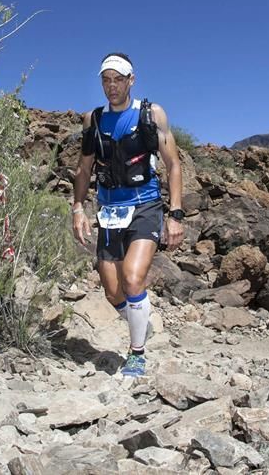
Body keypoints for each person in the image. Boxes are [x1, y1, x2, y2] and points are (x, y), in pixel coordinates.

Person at [72, 52, 184, 377]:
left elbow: (173, 164)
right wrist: (78, 208)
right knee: (112, 290)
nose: (111, 86)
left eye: (118, 79)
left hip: (145, 204)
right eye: (106, 80)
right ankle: (141, 321)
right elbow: (84, 168)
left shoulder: (151, 114)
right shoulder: (93, 120)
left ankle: (136, 354)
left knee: (133, 279)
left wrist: (175, 214)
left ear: (131, 80)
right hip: (109, 209)